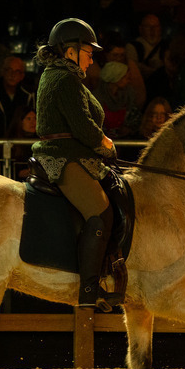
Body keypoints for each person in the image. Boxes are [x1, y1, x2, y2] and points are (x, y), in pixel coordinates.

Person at [32, 18, 117, 310]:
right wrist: (104, 144)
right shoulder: (64, 78)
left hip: (70, 153)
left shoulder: (59, 74)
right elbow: (82, 126)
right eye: (88, 52)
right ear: (70, 51)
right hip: (63, 157)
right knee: (100, 212)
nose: (92, 58)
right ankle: (89, 291)